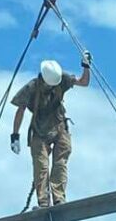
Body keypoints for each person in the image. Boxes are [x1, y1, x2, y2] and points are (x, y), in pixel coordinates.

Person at [10, 53, 91, 207]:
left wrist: (86, 66)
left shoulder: (61, 79)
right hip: (40, 132)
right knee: (41, 168)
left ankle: (59, 198)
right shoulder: (32, 88)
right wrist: (15, 136)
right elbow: (20, 110)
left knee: (60, 163)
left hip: (59, 126)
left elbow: (84, 82)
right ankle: (44, 203)